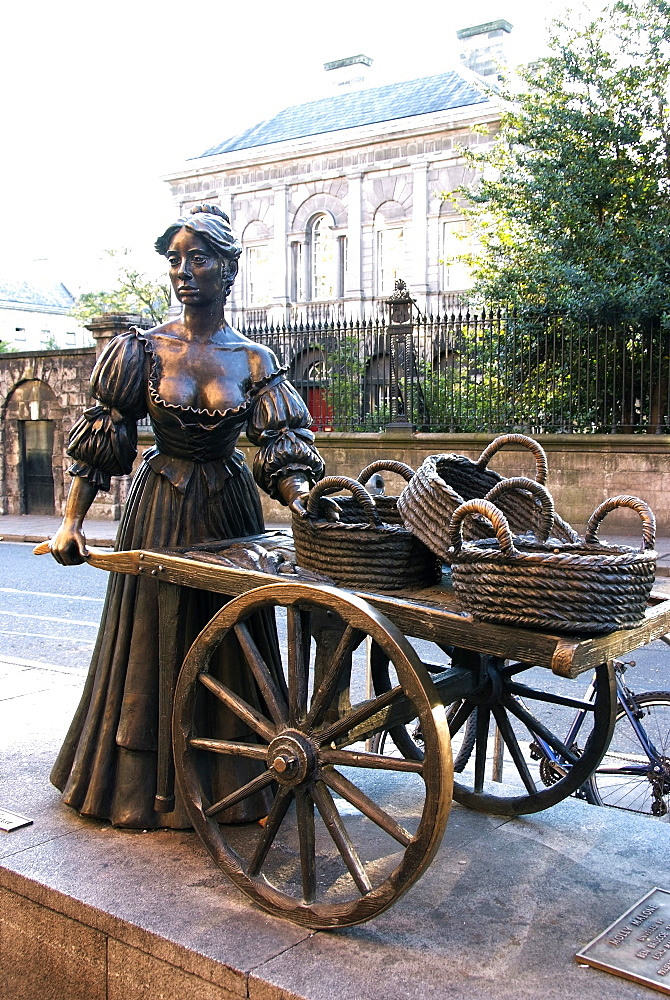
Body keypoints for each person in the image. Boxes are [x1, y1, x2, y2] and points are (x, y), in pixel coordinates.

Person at [48, 204, 325, 829]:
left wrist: (301, 496)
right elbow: (103, 437)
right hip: (161, 508)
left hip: (228, 510)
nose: (183, 271)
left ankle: (237, 778)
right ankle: (145, 788)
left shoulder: (253, 358)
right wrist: (71, 520)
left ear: (228, 270)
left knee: (232, 638)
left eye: (197, 258)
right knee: (152, 639)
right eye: (174, 260)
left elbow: (280, 445)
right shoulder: (143, 349)